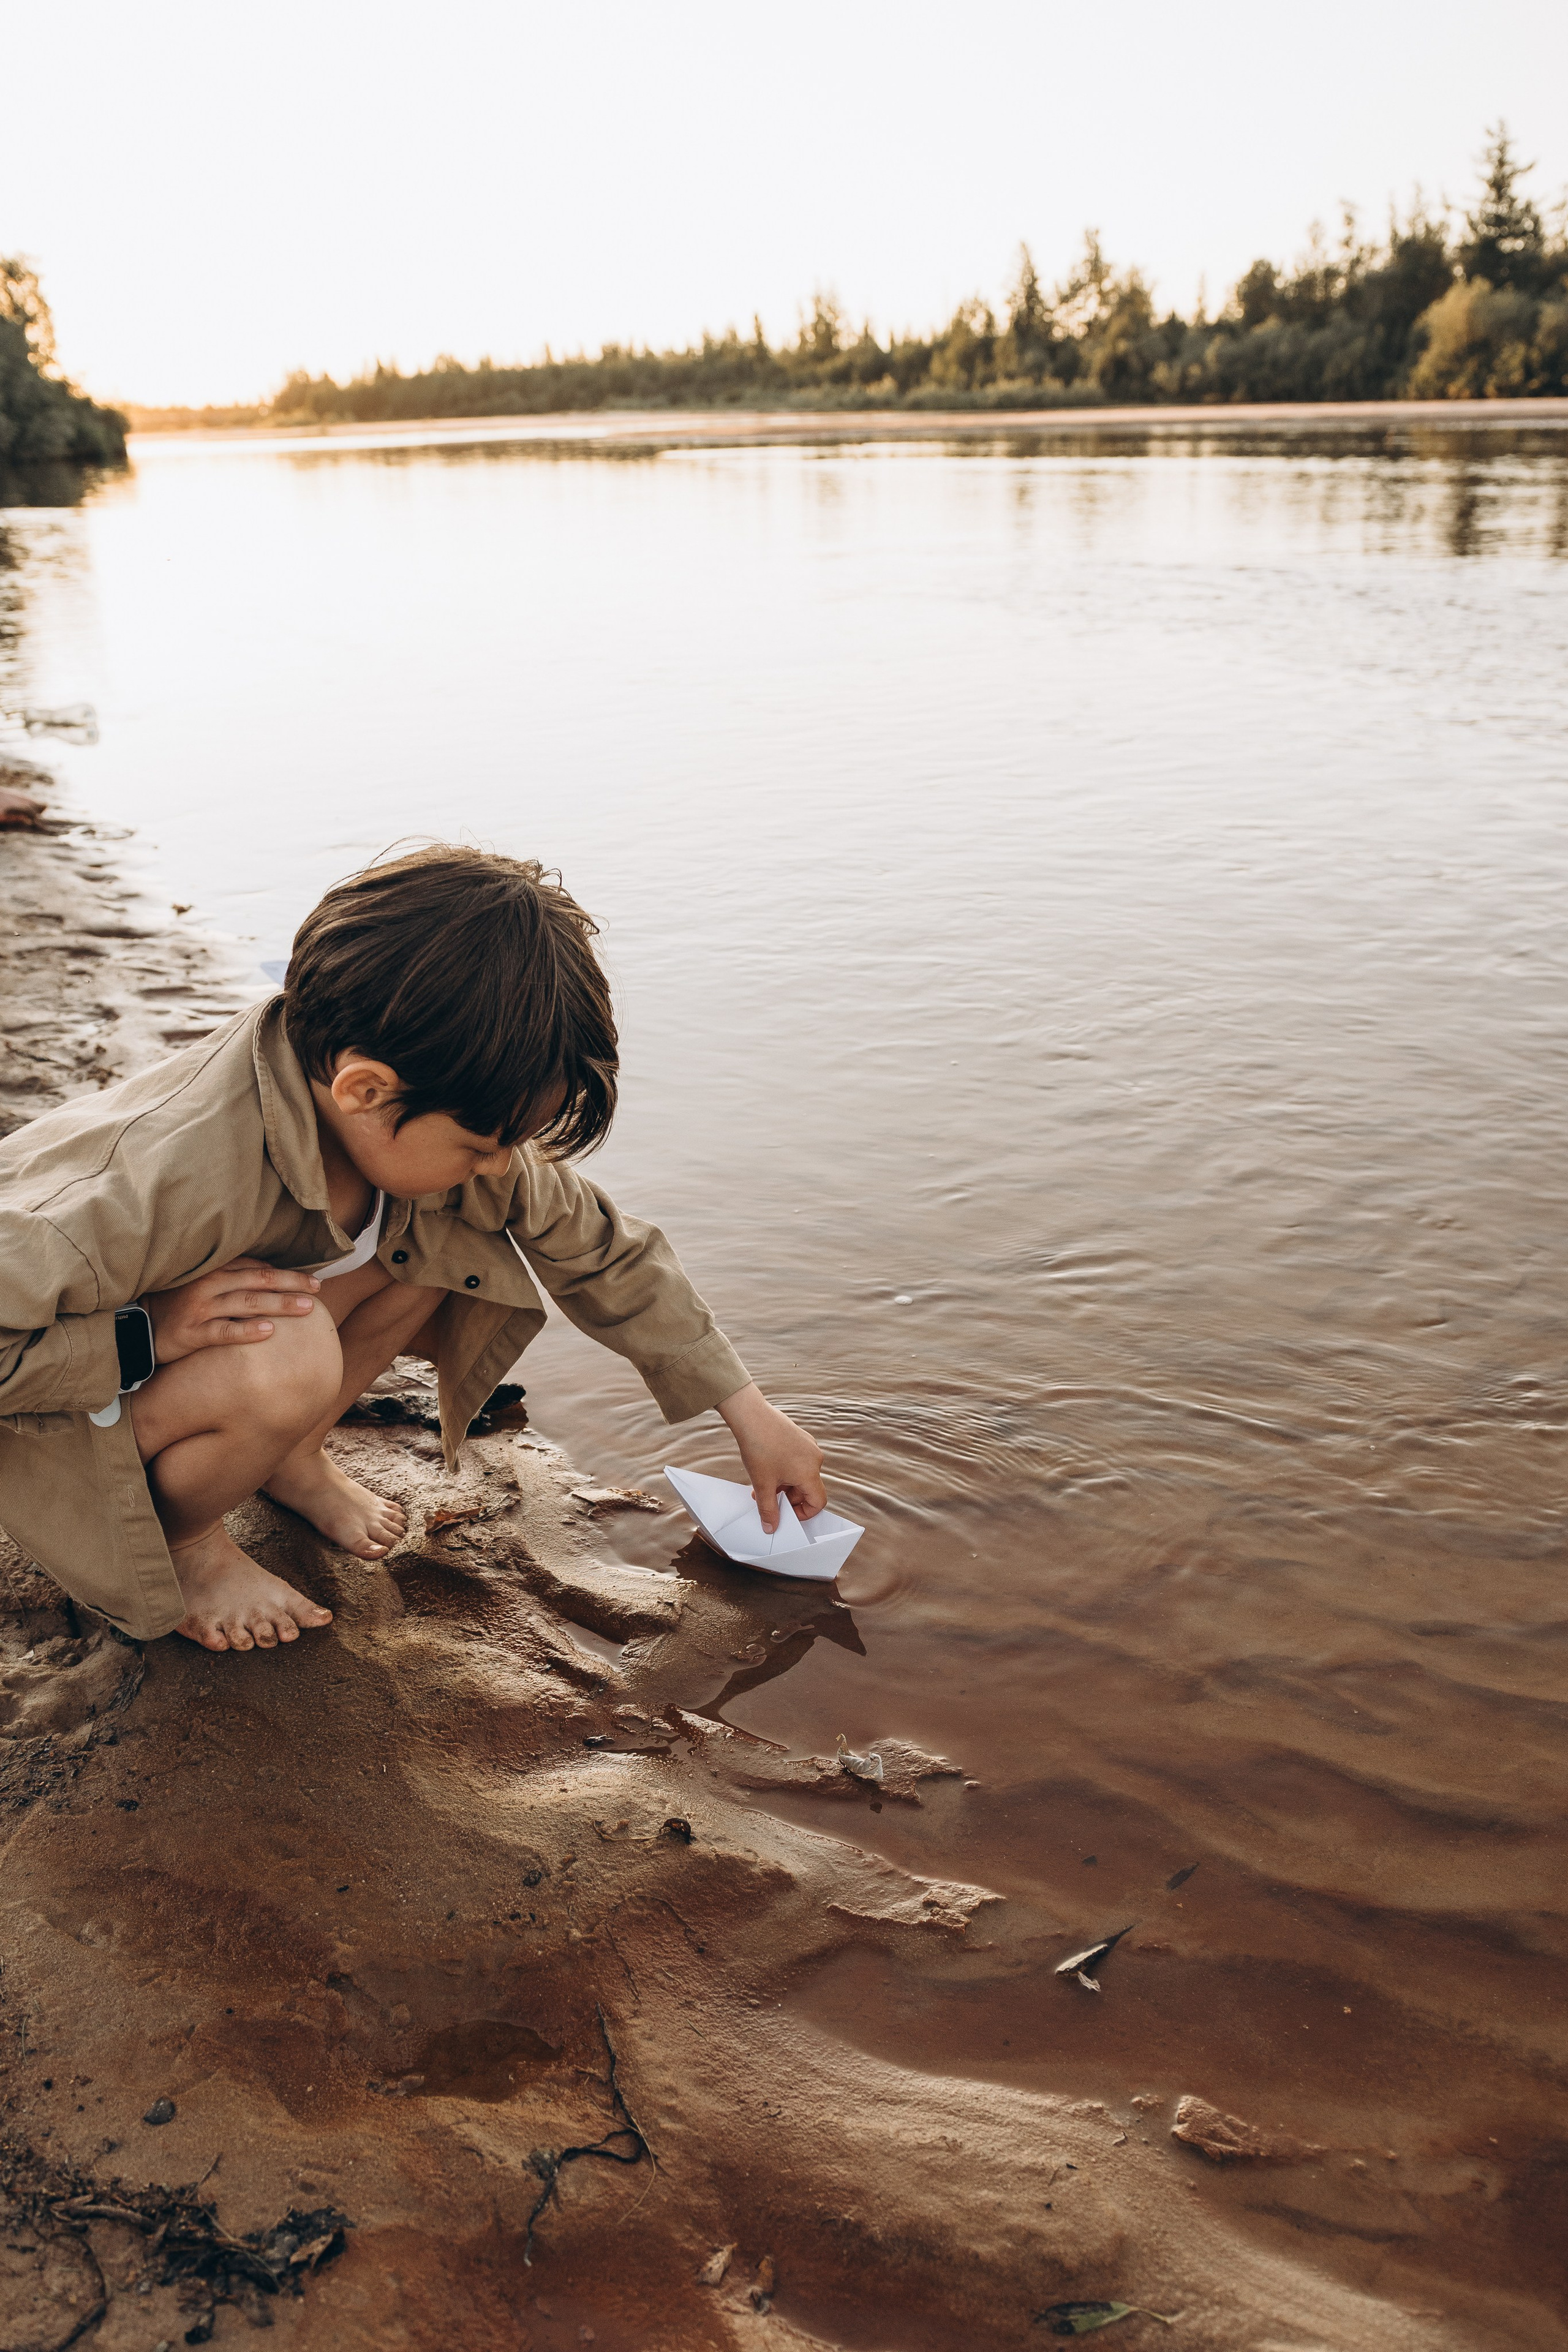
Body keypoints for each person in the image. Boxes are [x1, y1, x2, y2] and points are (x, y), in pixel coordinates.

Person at [0, 846, 825, 1653]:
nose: (502, 1165)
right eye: (483, 1143)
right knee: (285, 1351)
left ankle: (292, 1456)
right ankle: (188, 1550)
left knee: (444, 1234)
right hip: (62, 1419)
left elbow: (600, 1248)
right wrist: (149, 1334)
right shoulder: (155, 1178)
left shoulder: (404, 1111)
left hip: (162, 1372)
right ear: (366, 1090)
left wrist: (748, 1411)